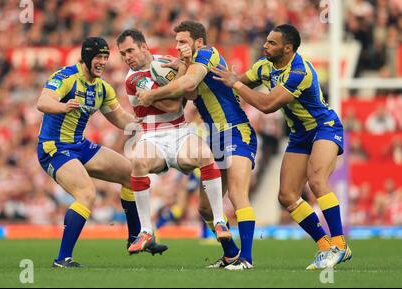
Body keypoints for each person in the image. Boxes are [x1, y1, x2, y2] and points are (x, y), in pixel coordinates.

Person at [211, 24, 352, 269]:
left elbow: (267, 105)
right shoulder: (263, 67)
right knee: (287, 196)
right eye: (266, 41)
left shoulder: (300, 71)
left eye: (271, 43)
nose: (265, 45)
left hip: (324, 126)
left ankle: (340, 245)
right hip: (299, 135)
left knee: (317, 180)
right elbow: (235, 84)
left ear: (288, 48)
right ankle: (325, 246)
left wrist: (236, 84)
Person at [36, 37, 167, 268]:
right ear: (86, 57)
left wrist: (147, 124)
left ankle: (135, 238)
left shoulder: (102, 88)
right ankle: (62, 258)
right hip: (54, 148)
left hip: (80, 146)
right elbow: (43, 102)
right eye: (98, 57)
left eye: (106, 57)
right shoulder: (66, 77)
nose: (103, 62)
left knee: (132, 174)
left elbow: (120, 118)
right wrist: (63, 106)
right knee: (86, 193)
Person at [137, 21, 257, 270]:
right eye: (176, 41)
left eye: (182, 41)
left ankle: (246, 259)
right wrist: (181, 66)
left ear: (199, 42)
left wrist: (151, 95)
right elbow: (190, 95)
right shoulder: (192, 63)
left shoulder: (207, 53)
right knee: (204, 207)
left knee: (237, 195)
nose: (178, 46)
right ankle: (231, 255)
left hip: (235, 131)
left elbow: (189, 86)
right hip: (214, 138)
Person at [116, 29, 232, 255]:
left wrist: (183, 65)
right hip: (153, 135)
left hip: (179, 131)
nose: (127, 57)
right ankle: (146, 231)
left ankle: (219, 220)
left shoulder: (163, 62)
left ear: (144, 46)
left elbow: (190, 94)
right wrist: (181, 71)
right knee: (138, 162)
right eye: (123, 54)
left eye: (130, 50)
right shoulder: (133, 79)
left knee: (205, 154)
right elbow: (171, 106)